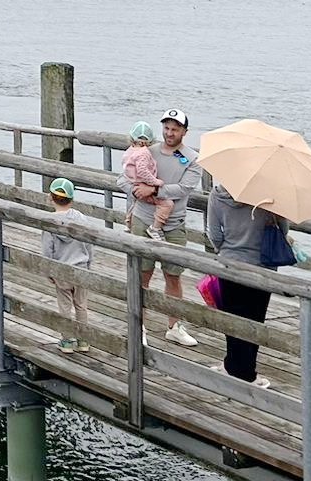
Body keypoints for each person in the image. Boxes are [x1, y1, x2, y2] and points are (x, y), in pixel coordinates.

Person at [206, 181, 296, 389]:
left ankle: (232, 364)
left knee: (232, 318)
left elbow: (214, 235)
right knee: (255, 319)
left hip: (229, 263)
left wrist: (226, 249)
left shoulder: (217, 194)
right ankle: (247, 372)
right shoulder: (268, 195)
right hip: (261, 266)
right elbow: (282, 230)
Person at [130, 108, 202, 346]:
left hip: (174, 225)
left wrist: (154, 190)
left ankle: (174, 326)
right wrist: (134, 190)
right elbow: (125, 175)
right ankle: (138, 325)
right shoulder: (146, 151)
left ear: (184, 132)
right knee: (142, 274)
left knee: (173, 275)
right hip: (143, 219)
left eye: (175, 129)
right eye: (166, 128)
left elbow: (184, 188)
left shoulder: (192, 158)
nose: (169, 133)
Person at [43, 178, 95, 353]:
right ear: (72, 198)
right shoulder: (81, 218)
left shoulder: (49, 221)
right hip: (81, 268)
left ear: (50, 197)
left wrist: (48, 270)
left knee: (65, 306)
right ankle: (83, 341)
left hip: (61, 270)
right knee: (81, 305)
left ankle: (66, 341)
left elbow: (47, 249)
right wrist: (89, 263)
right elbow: (89, 244)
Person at [121, 121, 175, 241]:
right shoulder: (143, 152)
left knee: (135, 201)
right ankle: (155, 228)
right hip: (144, 185)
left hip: (134, 183)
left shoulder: (130, 151)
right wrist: (155, 182)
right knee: (167, 204)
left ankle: (128, 222)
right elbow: (142, 171)